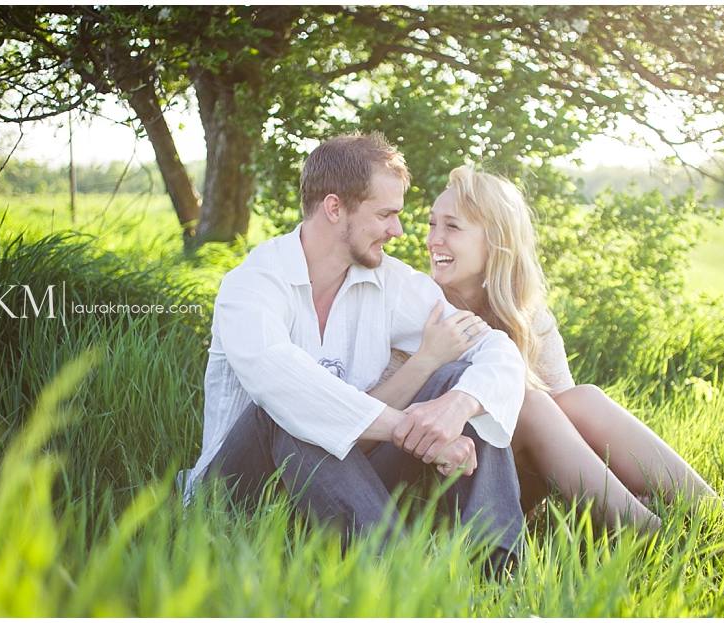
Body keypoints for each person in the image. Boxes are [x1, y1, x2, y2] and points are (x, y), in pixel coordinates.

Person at [183, 134, 528, 576]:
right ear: (334, 208)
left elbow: (495, 347)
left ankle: (497, 575)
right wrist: (412, 429)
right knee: (280, 412)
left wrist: (455, 407)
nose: (399, 231)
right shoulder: (251, 285)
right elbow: (282, 383)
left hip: (344, 486)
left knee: (458, 379)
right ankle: (401, 575)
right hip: (239, 494)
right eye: (385, 214)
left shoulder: (388, 281)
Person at [376, 164, 724, 539]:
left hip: (508, 481)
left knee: (580, 399)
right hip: (426, 488)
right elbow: (375, 430)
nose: (432, 239)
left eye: (452, 227)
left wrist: (613, 483)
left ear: (496, 240)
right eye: (432, 224)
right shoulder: (416, 312)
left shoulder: (528, 317)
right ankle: (659, 538)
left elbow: (569, 423)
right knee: (532, 405)